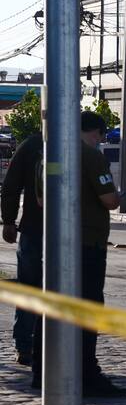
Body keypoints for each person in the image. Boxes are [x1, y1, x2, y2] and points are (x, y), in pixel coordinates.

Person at [31, 112, 126, 397]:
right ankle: (87, 374)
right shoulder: (91, 156)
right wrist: (118, 195)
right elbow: (109, 200)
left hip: (56, 242)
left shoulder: (46, 155)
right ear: (95, 132)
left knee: (51, 307)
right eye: (100, 135)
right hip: (87, 243)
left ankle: (41, 370)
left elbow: (38, 199)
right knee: (87, 309)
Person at [1, 133, 43, 366]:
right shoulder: (33, 146)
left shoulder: (32, 145)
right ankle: (25, 345)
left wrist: (8, 221)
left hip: (37, 230)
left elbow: (11, 184)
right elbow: (12, 185)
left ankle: (28, 345)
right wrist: (8, 220)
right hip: (36, 230)